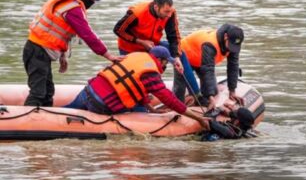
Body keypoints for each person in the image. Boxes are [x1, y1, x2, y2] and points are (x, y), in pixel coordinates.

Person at [23, 0, 122, 107]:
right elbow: (87, 35)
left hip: (40, 50)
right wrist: (108, 55)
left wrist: (63, 55)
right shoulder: (73, 9)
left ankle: (44, 121)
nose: (93, 2)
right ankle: (26, 123)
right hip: (37, 51)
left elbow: (61, 31)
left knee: (48, 93)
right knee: (38, 93)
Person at [65, 46, 210, 130]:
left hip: (88, 91)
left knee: (65, 110)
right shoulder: (151, 72)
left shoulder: (135, 56)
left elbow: (132, 84)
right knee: (140, 111)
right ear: (160, 60)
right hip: (101, 104)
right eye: (166, 63)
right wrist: (198, 118)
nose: (165, 67)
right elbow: (169, 99)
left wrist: (152, 109)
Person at [113, 0, 201, 98]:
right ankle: (140, 96)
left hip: (151, 45)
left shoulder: (170, 13)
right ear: (156, 7)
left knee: (180, 54)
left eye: (170, 11)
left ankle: (197, 95)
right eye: (166, 11)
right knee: (136, 76)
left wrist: (176, 57)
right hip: (130, 47)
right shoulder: (137, 13)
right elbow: (118, 30)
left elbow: (174, 36)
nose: (169, 14)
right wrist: (140, 41)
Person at [173, 24, 245, 110]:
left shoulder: (233, 45)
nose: (232, 49)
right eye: (231, 45)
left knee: (213, 91)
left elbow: (233, 66)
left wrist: (232, 90)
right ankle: (177, 108)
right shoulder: (210, 44)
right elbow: (208, 70)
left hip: (201, 59)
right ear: (226, 36)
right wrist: (210, 97)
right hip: (184, 56)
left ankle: (200, 103)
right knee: (180, 89)